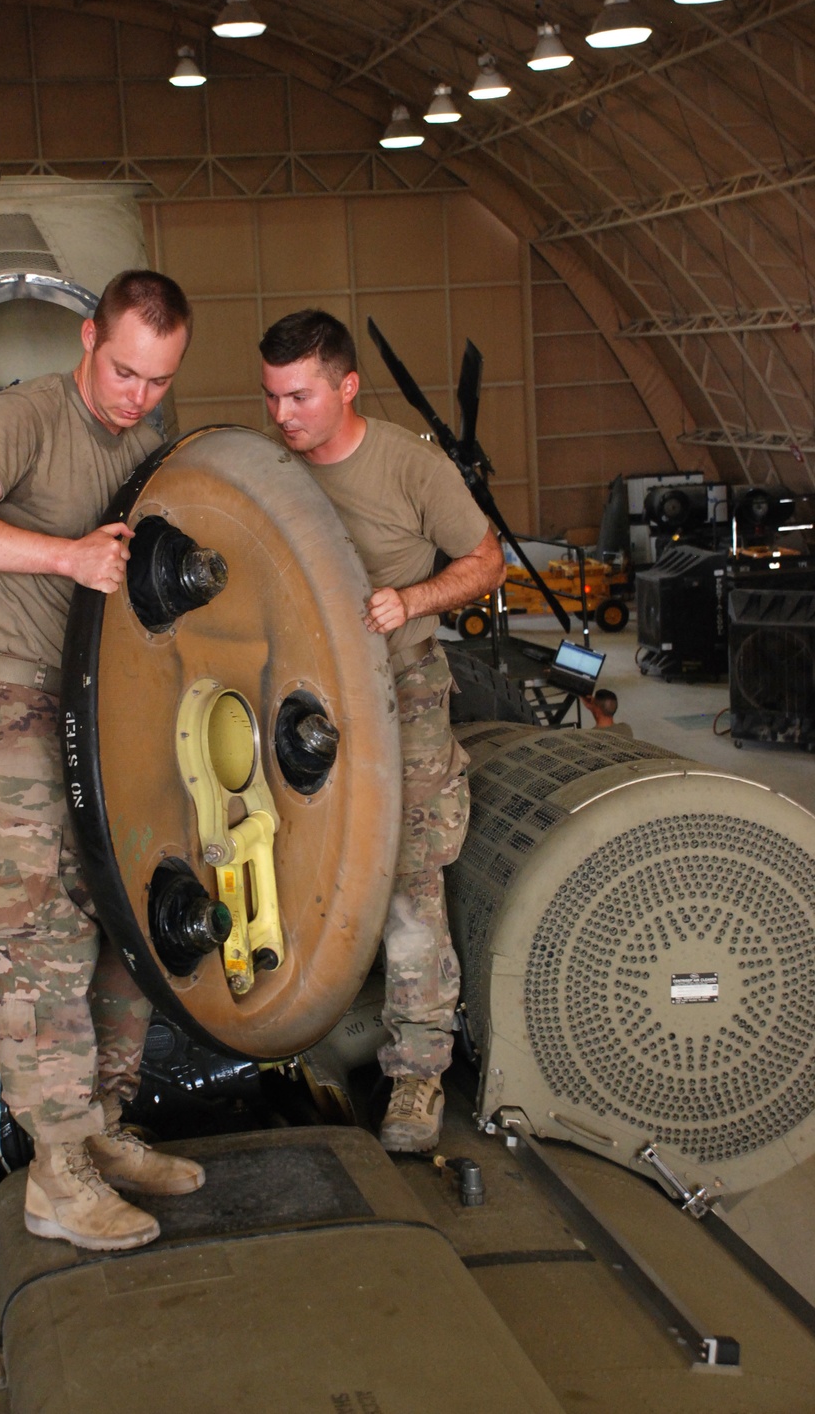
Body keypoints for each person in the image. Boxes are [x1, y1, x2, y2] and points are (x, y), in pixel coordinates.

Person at [0, 270, 206, 1251]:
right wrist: (64, 556)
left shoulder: (149, 442)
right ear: (88, 339)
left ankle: (101, 1125)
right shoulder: (21, 419)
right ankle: (56, 1175)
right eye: (124, 371)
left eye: (157, 382)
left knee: (126, 925)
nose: (136, 398)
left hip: (105, 715)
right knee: (42, 946)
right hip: (8, 711)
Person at [259, 309, 507, 1153]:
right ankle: (287, 1038)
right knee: (289, 865)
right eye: (272, 398)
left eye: (299, 396)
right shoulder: (267, 472)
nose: (283, 416)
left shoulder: (409, 466)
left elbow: (486, 560)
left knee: (409, 887)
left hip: (400, 697)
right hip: (295, 703)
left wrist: (413, 600)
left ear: (346, 386)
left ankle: (415, 1076)